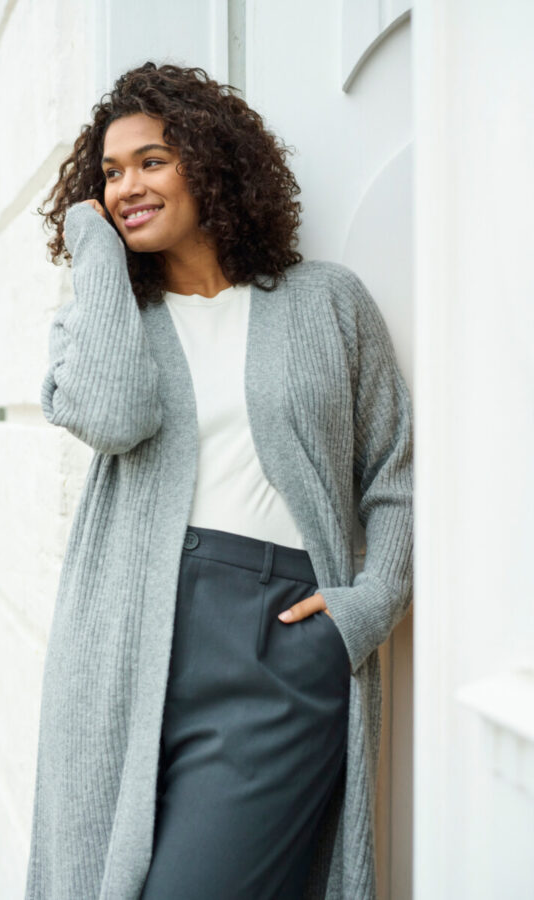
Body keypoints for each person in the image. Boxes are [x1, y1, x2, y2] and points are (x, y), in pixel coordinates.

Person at [25, 61, 414, 900]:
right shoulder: (110, 321)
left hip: (279, 642)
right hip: (127, 643)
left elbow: (394, 473)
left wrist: (368, 606)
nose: (127, 184)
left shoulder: (326, 304)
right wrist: (92, 253)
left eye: (152, 160)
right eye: (110, 173)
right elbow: (115, 413)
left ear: (211, 160)